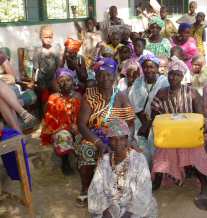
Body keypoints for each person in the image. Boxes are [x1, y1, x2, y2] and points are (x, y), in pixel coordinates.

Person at [77, 57, 135, 207]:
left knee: (127, 154)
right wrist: (98, 143)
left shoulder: (121, 96)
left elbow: (130, 123)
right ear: (95, 76)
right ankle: (86, 188)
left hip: (116, 136)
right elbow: (82, 125)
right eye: (101, 75)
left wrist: (127, 141)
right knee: (86, 149)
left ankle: (116, 191)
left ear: (115, 76)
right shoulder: (89, 95)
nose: (105, 79)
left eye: (108, 75)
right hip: (93, 135)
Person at [151, 57, 207, 197]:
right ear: (167, 74)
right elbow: (155, 116)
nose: (173, 77)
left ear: (182, 76)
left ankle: (205, 185)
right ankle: (157, 181)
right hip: (169, 135)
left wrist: (201, 127)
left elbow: (200, 117)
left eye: (177, 74)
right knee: (162, 152)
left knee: (193, 152)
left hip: (189, 135)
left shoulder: (191, 93)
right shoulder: (162, 93)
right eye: (171, 73)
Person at [88, 119, 158, 218]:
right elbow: (95, 189)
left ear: (126, 140)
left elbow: (144, 190)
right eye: (114, 139)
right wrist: (105, 210)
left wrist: (128, 214)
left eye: (121, 138)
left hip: (134, 207)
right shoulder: (104, 161)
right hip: (110, 206)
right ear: (109, 140)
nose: (118, 143)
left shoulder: (139, 159)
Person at [41, 68, 81, 175]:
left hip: (78, 128)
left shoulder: (79, 97)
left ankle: (81, 160)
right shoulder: (53, 98)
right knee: (63, 136)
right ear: (58, 83)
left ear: (73, 81)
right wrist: (66, 128)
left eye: (68, 80)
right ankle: (65, 163)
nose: (65, 83)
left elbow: (83, 116)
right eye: (61, 80)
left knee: (83, 136)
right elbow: (49, 119)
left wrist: (78, 127)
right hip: (60, 129)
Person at [129, 54, 169, 163]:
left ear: (157, 68)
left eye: (151, 67)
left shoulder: (164, 82)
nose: (148, 70)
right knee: (141, 149)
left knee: (156, 147)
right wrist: (145, 125)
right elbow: (136, 105)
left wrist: (149, 125)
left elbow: (164, 106)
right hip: (140, 122)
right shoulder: (138, 82)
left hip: (158, 122)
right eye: (145, 67)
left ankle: (156, 174)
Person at [33, 25, 61, 114]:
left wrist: (58, 78)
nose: (48, 39)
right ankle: (45, 115)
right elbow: (36, 67)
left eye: (50, 37)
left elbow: (58, 65)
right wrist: (34, 81)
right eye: (46, 37)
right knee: (44, 96)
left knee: (58, 93)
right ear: (41, 37)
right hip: (42, 78)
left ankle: (58, 112)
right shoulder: (38, 51)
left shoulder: (55, 49)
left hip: (53, 77)